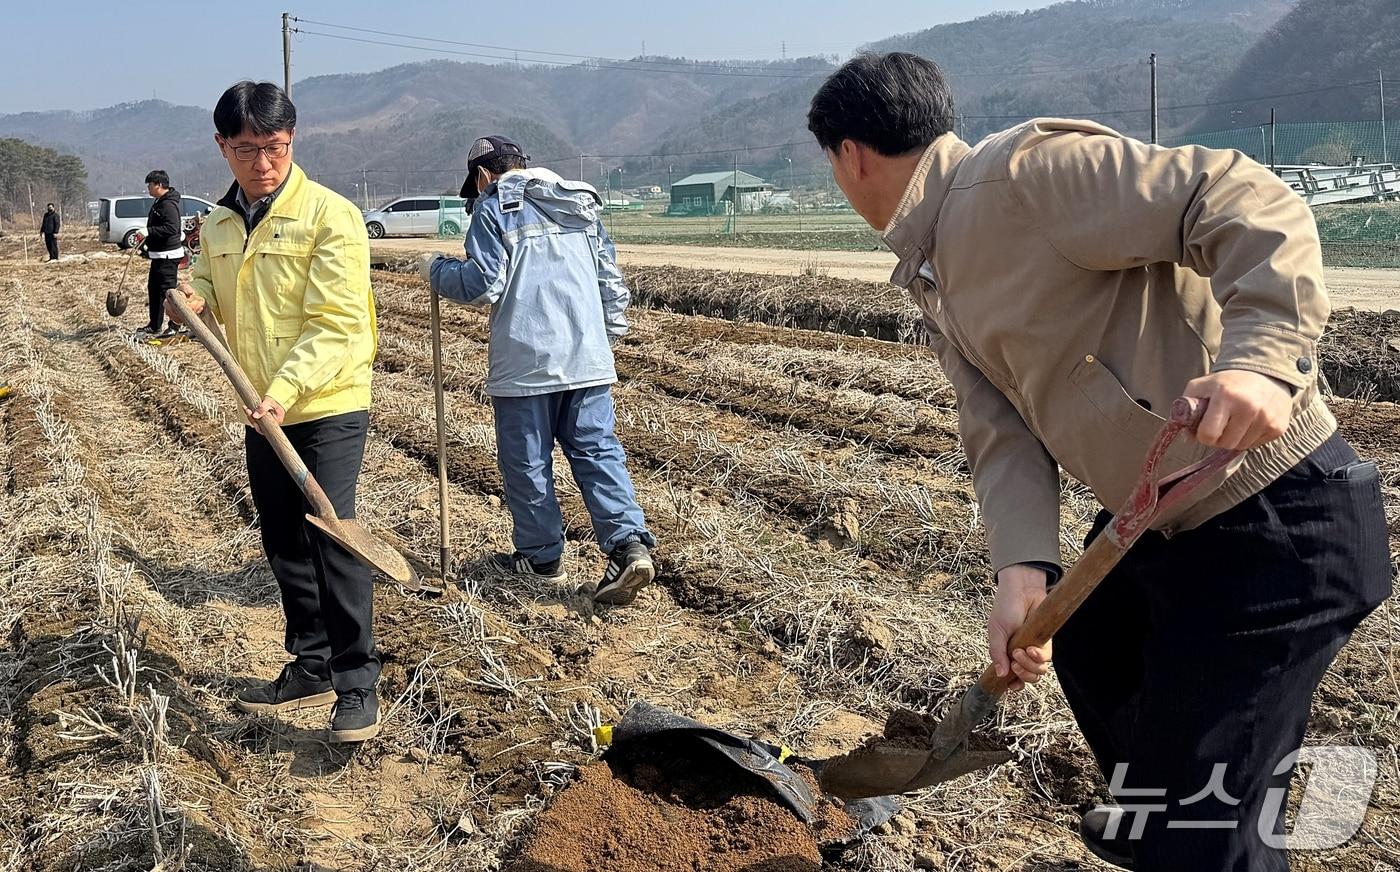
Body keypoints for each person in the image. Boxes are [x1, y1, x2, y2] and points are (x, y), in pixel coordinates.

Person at [807, 53, 1391, 871]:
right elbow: (1000, 427)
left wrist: (1263, 359)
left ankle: (1193, 828)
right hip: (1157, 522)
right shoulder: (934, 268)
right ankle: (1173, 810)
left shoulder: (1023, 174)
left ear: (848, 156)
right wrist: (1022, 571)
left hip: (1276, 517)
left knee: (1202, 830)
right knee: (1094, 641)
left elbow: (1238, 194)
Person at [167, 81, 382, 743]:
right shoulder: (222, 223)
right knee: (283, 538)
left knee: (332, 537)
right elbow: (211, 281)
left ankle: (357, 684)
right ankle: (310, 661)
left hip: (325, 401)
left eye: (276, 147)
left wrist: (283, 392)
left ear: (293, 141)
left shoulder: (329, 216)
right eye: (248, 149)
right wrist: (197, 300)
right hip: (259, 408)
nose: (263, 163)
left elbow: (337, 325)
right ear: (223, 147)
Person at [420, 135, 657, 606]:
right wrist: (606, 333)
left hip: (527, 361)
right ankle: (629, 545)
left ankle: (542, 557)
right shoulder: (578, 203)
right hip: (587, 357)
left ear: (484, 176)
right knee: (597, 452)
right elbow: (609, 277)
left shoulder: (495, 207)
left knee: (527, 462)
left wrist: (435, 270)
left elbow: (483, 283)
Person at [139, 170, 184, 336]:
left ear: (158, 185)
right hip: (158, 254)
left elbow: (172, 228)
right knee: (154, 290)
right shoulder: (160, 202)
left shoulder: (168, 205)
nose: (148, 188)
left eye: (150, 185)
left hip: (168, 255)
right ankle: (154, 324)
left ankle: (175, 325)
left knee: (169, 292)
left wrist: (149, 231)